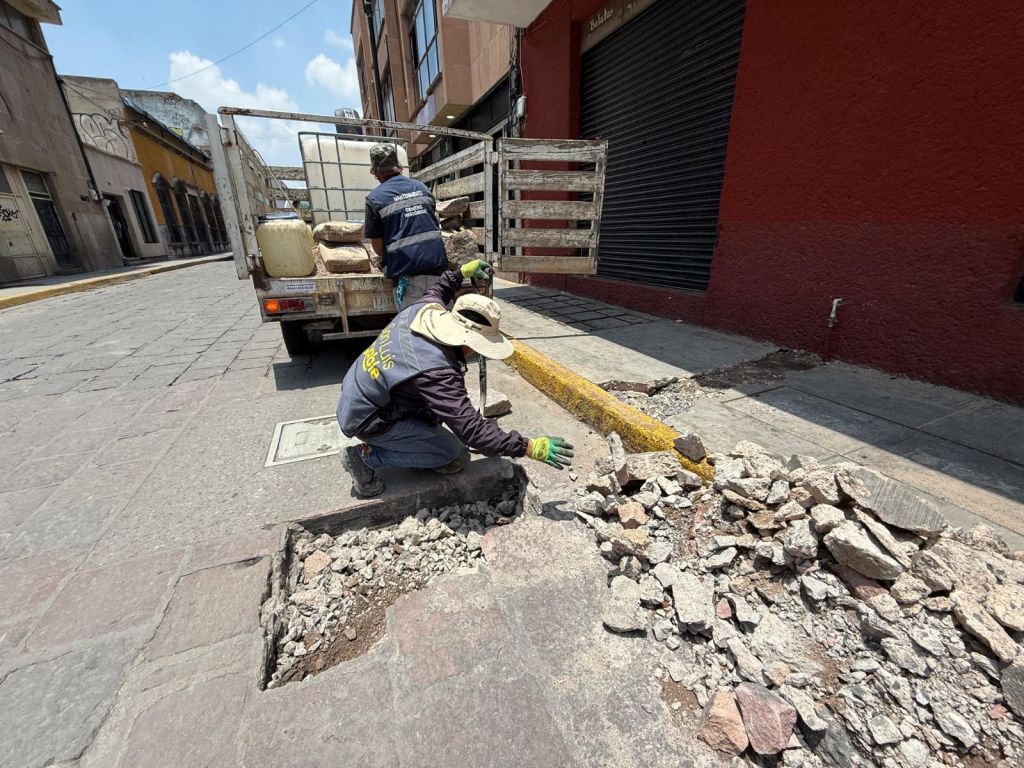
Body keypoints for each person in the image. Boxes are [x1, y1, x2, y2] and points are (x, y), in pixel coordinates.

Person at [337, 259, 574, 498]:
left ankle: (411, 439)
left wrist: (460, 273)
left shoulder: (423, 310)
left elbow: (438, 290)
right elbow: (472, 431)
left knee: (437, 419)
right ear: (468, 340)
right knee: (454, 453)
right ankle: (366, 457)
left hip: (358, 390)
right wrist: (528, 447)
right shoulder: (436, 371)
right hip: (368, 418)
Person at [364, 142, 448, 309]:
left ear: (375, 173)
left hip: (407, 277)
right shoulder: (422, 188)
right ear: (399, 168)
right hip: (438, 273)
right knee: (442, 325)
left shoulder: (375, 198)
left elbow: (378, 245)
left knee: (413, 329)